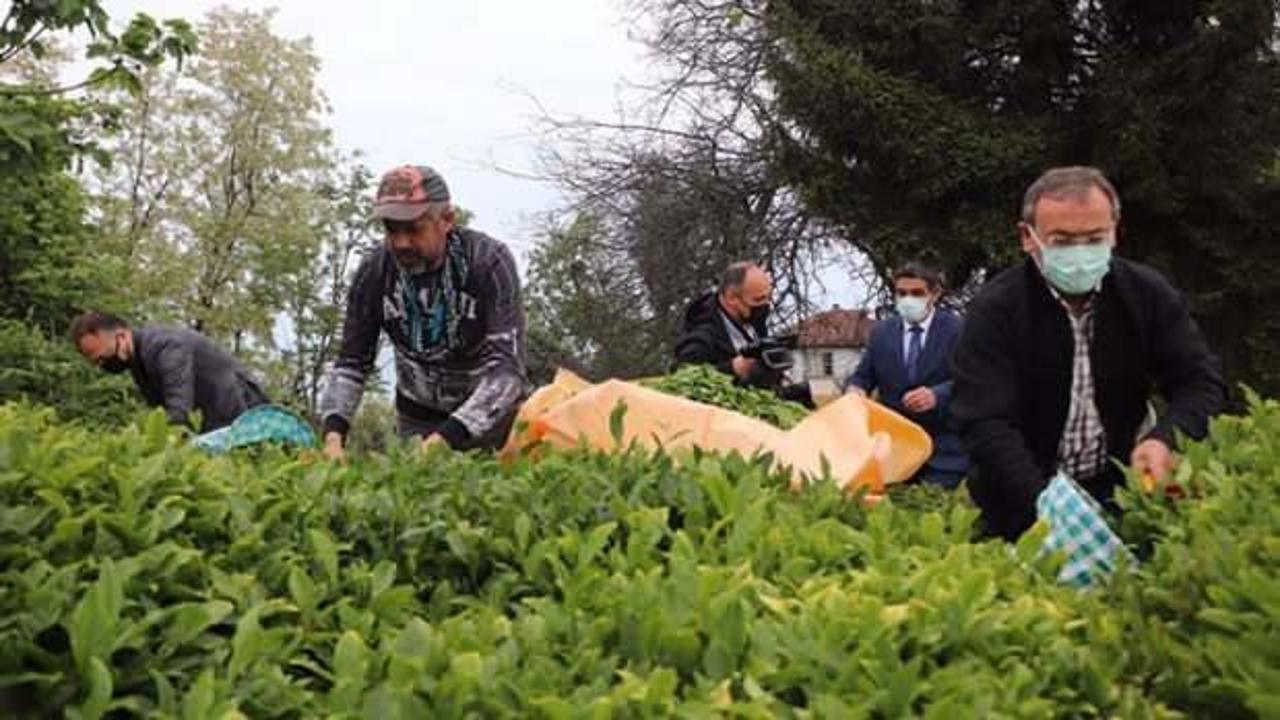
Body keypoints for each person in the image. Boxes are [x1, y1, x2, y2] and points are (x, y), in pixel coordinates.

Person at [951, 166, 1227, 540]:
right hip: (1018, 501)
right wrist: (1045, 503)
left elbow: (1200, 382)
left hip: (1117, 492)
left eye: (1094, 238)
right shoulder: (996, 309)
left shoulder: (1146, 294)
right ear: (1028, 237)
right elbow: (984, 421)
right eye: (1062, 241)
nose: (1080, 254)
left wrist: (1164, 439)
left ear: (1115, 233)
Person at [320, 164, 527, 460]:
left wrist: (444, 439)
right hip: (417, 417)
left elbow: (507, 371)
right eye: (391, 229)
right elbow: (352, 363)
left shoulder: (488, 262)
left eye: (414, 228)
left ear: (446, 220)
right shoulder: (374, 271)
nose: (401, 242)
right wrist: (333, 436)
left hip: (493, 421)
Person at [844, 262, 969, 488]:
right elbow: (863, 375)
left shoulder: (957, 329)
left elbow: (972, 378)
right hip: (894, 450)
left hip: (942, 452)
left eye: (917, 293)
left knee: (933, 517)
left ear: (934, 294)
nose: (908, 299)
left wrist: (936, 395)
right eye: (901, 293)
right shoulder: (881, 333)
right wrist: (855, 389)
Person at [72, 311, 269, 432]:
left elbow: (178, 411)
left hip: (241, 409)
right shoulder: (137, 361)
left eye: (103, 358)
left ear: (122, 336)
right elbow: (159, 413)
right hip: (215, 418)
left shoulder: (166, 347)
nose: (104, 365)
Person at [673, 261, 811, 404]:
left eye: (768, 297)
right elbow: (683, 380)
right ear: (732, 298)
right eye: (758, 300)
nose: (765, 305)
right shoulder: (701, 337)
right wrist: (733, 369)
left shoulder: (753, 322)